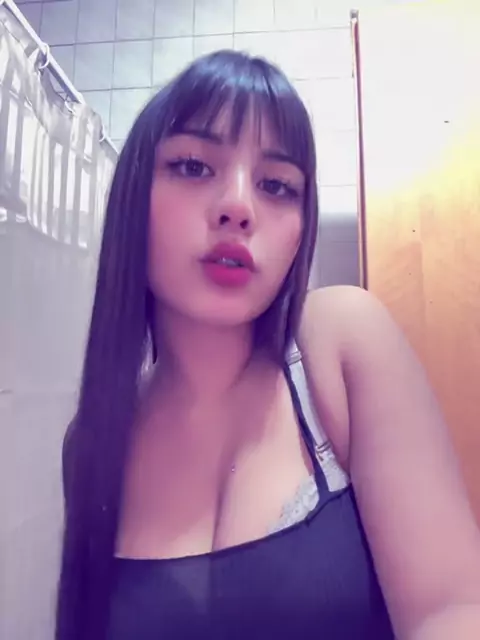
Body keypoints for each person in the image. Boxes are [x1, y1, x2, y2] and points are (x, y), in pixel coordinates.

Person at [55, 51, 480, 640]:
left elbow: (452, 611)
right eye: (194, 167)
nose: (239, 206)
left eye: (277, 185)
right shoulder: (92, 441)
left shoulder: (339, 342)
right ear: (132, 195)